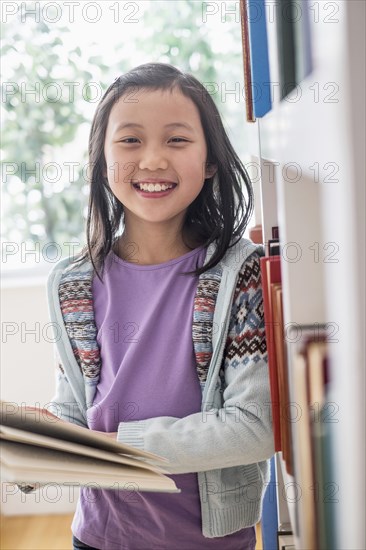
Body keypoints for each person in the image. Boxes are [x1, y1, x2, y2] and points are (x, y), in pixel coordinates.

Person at [46, 62, 274, 550]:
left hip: (207, 540)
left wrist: (113, 450)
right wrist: (40, 448)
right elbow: (76, 406)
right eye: (129, 140)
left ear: (210, 159)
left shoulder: (242, 273)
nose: (151, 160)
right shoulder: (72, 283)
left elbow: (254, 427)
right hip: (97, 534)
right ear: (102, 161)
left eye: (176, 140)